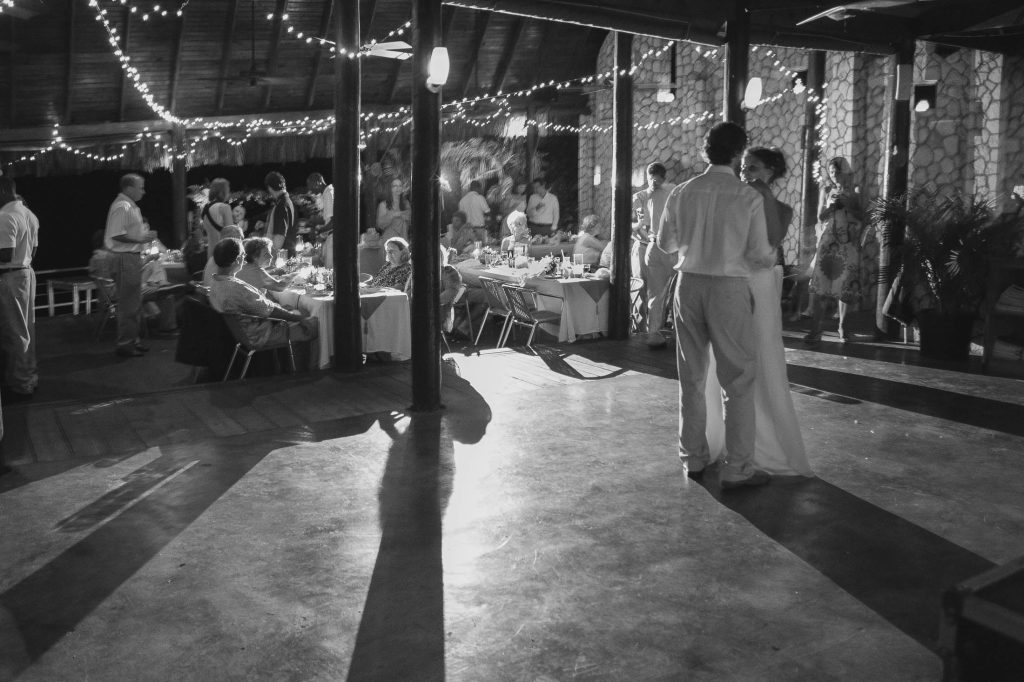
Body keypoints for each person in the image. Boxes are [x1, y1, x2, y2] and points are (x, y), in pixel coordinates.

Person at [658, 122, 776, 488]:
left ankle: (692, 459)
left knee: (691, 378)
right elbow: (758, 255)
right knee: (738, 381)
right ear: (739, 152)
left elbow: (665, 244)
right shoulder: (748, 197)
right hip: (728, 289)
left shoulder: (682, 191)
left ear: (704, 151)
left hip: (689, 286)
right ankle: (737, 468)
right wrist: (772, 258)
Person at [703, 147, 812, 477]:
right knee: (726, 357)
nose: (746, 172)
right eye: (744, 166)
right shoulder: (734, 197)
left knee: (760, 357)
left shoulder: (781, 207)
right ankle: (724, 439)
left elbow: (772, 240)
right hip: (731, 279)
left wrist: (762, 194)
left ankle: (760, 441)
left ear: (771, 172)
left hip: (758, 283)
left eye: (754, 167)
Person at [207, 238, 317, 351]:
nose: (245, 259)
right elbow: (268, 310)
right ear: (237, 259)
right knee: (314, 323)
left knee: (292, 310)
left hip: (240, 334)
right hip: (259, 335)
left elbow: (263, 306)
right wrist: (299, 318)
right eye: (243, 255)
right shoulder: (236, 288)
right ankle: (312, 367)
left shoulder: (215, 283)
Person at [805, 156, 864, 343]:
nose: (834, 175)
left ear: (845, 172)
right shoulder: (827, 190)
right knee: (822, 284)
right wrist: (830, 208)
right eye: (831, 172)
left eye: (837, 171)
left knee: (844, 284)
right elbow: (820, 216)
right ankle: (816, 330)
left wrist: (848, 206)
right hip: (829, 240)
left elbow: (864, 216)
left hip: (848, 241)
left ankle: (843, 328)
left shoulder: (856, 191)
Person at [104, 173, 159, 358]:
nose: (143, 191)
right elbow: (115, 234)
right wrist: (140, 238)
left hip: (130, 256)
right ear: (129, 188)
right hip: (124, 257)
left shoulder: (130, 206)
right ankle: (125, 344)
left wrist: (141, 238)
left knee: (134, 303)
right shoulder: (122, 206)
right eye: (140, 187)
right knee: (128, 304)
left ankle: (132, 339)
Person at [0, 177, 38, 399]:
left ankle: (19, 383)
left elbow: (5, 254)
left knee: (13, 332)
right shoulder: (28, 214)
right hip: (24, 274)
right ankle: (29, 376)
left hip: (9, 276)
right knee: (26, 329)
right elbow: (34, 250)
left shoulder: (5, 215)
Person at [633, 162, 678, 348]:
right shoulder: (673, 191)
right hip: (671, 247)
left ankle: (654, 333)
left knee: (655, 294)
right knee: (675, 292)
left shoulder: (647, 195)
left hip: (652, 246)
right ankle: (675, 332)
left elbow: (635, 225)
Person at [264, 171, 297, 257]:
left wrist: (270, 256)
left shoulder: (281, 206)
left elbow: (279, 236)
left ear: (270, 188)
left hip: (282, 257)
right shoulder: (289, 201)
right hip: (290, 253)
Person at [202, 178, 234, 259]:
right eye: (228, 190)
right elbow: (230, 234)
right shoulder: (225, 207)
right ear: (222, 192)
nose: (229, 193)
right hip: (223, 253)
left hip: (210, 254)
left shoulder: (205, 209)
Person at [375, 177, 410, 242]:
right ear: (390, 188)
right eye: (395, 186)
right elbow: (380, 225)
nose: (398, 188)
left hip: (403, 239)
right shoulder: (383, 205)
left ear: (402, 188)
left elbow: (411, 220)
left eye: (400, 186)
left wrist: (402, 215)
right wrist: (393, 215)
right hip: (388, 240)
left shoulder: (406, 203)